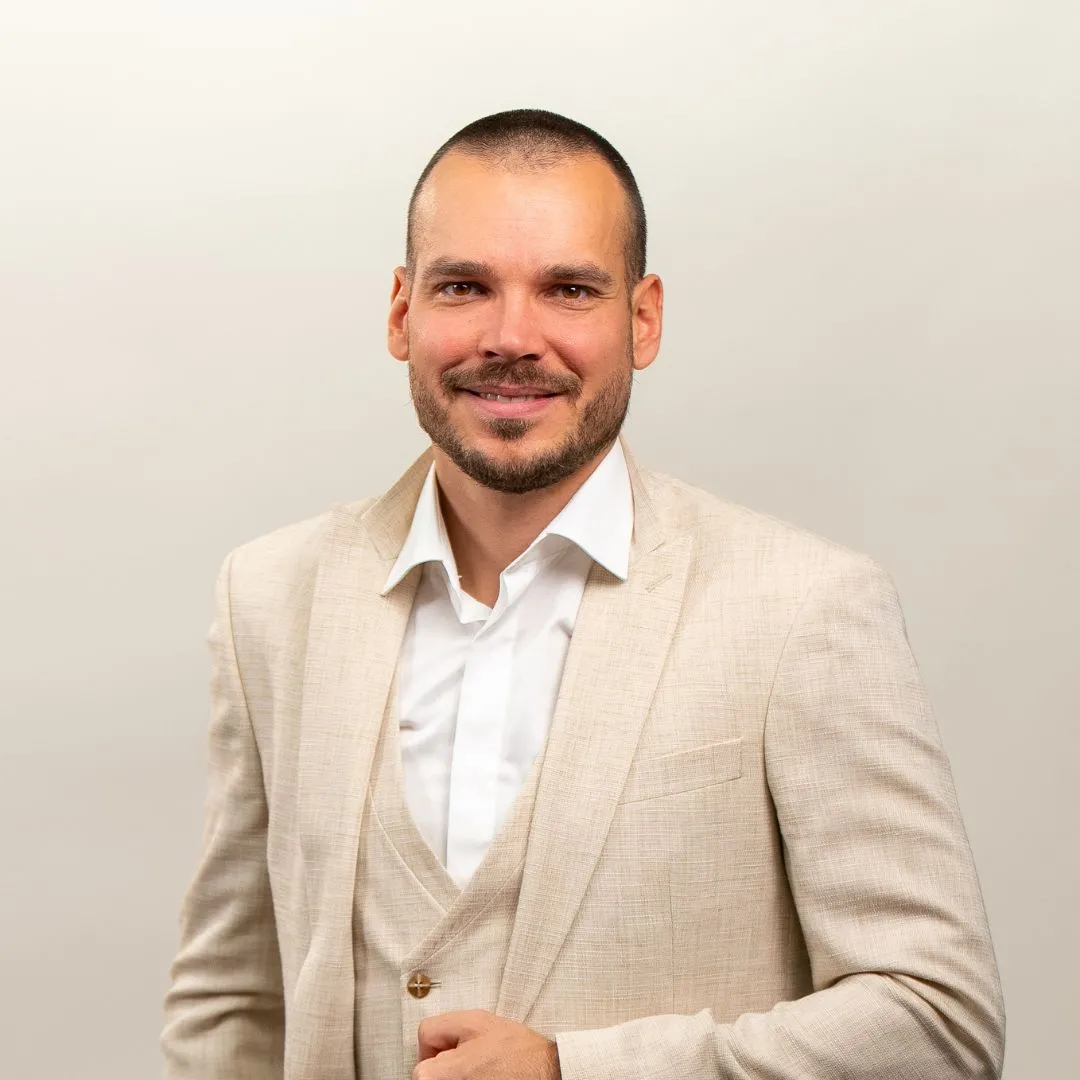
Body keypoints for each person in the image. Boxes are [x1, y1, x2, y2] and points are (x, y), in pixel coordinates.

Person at [162, 109, 1005, 1080]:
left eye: (568, 289)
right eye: (464, 286)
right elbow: (229, 1001)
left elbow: (937, 1021)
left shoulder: (802, 608)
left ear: (641, 319)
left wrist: (576, 1069)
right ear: (402, 311)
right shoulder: (269, 597)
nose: (512, 338)